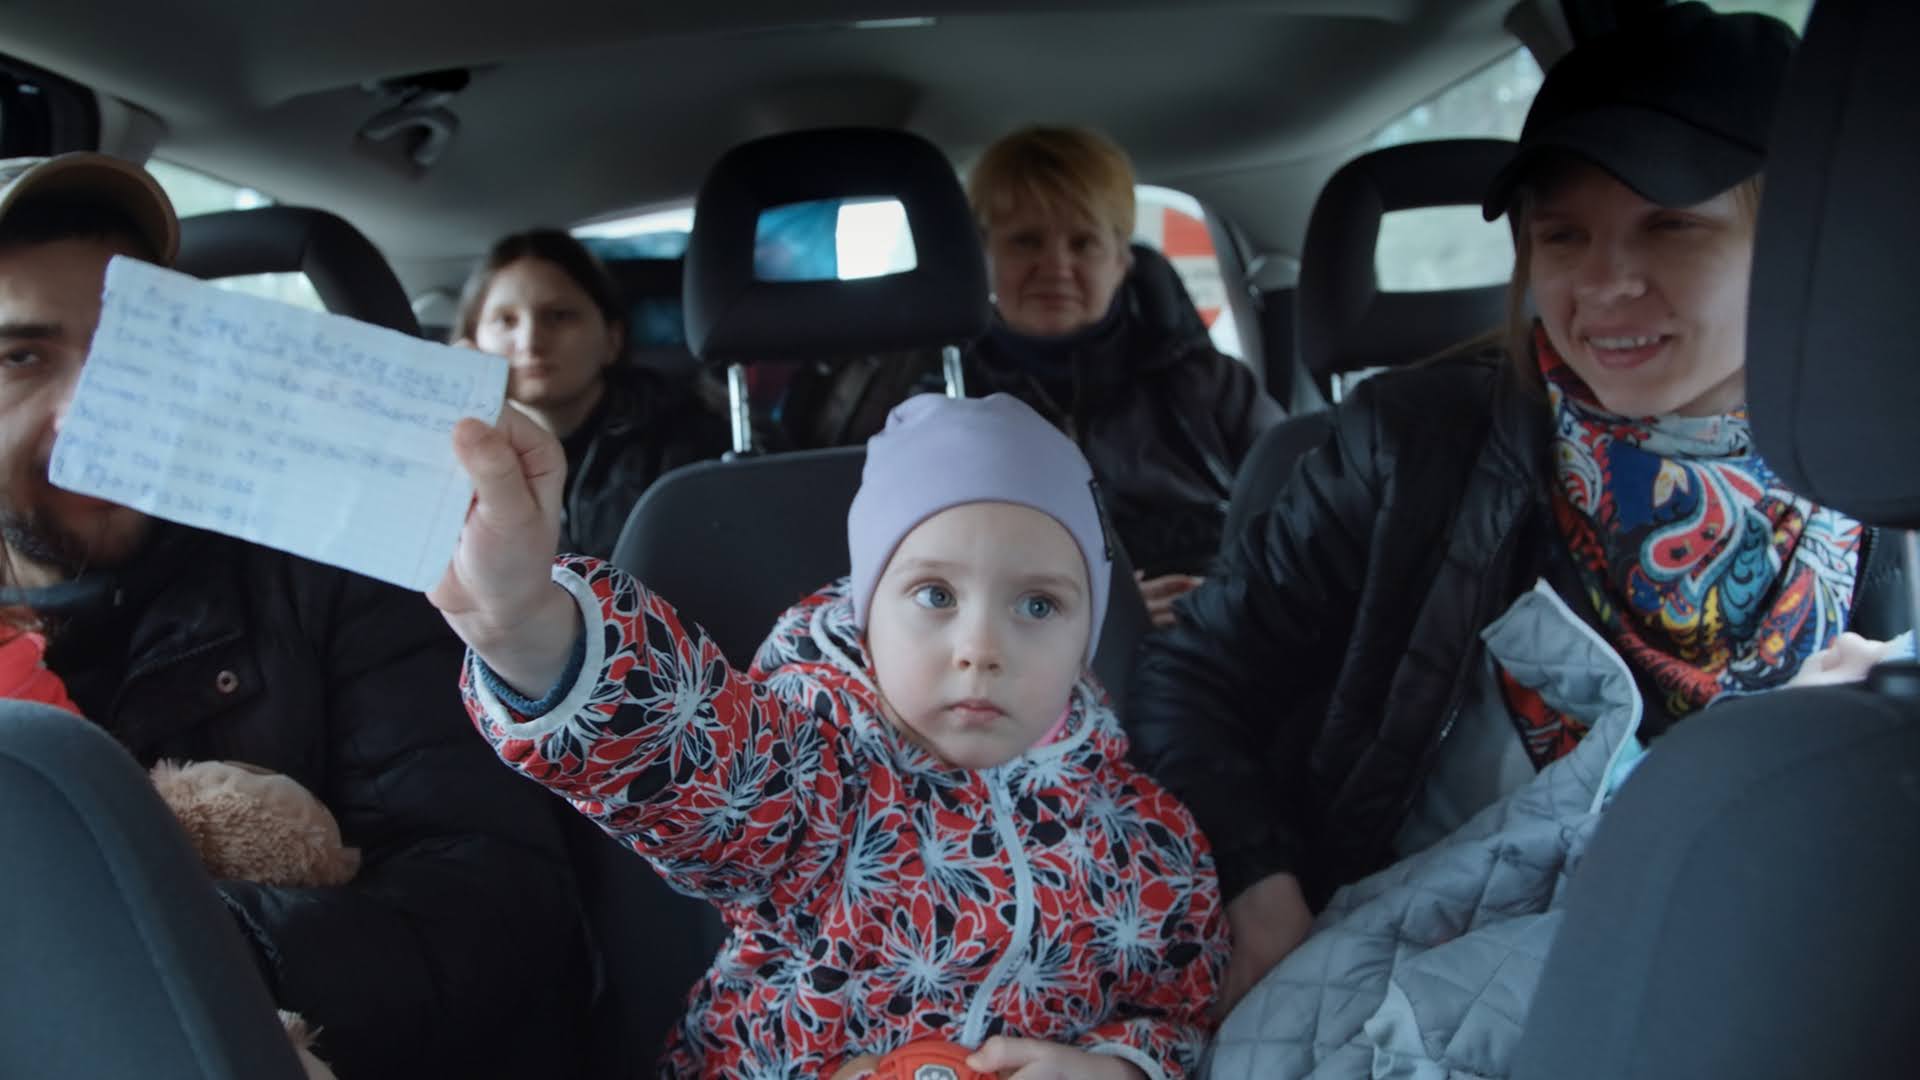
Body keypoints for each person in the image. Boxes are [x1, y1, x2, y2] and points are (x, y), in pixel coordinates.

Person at [1125, 2, 1905, 1027]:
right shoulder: (1409, 447)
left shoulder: (1876, 471)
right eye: (1562, 235)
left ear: (1793, 237)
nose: (1605, 283)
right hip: (1409, 978)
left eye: (1673, 225)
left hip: (1738, 977)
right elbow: (1194, 677)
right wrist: (1260, 884)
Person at [0, 153, 591, 1079]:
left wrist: (155, 941)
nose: (86, 409)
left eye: (129, 351)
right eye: (21, 356)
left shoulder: (344, 569)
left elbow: (497, 915)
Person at [431, 392, 1228, 1078]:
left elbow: (1179, 1010)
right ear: (866, 611)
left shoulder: (1146, 837)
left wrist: (1118, 1066)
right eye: (935, 594)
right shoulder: (809, 772)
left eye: (1039, 606)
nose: (980, 647)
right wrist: (528, 625)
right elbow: (678, 748)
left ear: (1095, 628)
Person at [781, 126, 1282, 627]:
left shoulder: (1212, 385)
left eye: (1083, 242)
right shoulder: (925, 400)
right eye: (1026, 241)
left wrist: (1223, 597)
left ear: (1123, 259)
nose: (1056, 266)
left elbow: (1293, 525)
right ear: (983, 255)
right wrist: (1103, 612)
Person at [452, 229, 729, 557]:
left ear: (612, 339)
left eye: (558, 316)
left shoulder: (689, 446)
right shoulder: (450, 456)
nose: (530, 342)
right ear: (473, 342)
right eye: (506, 320)